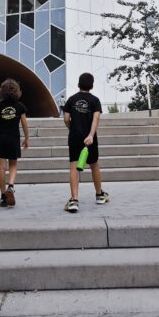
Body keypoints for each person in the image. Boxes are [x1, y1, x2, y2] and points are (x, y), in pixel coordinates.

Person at [63, 73, 109, 213]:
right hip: (90, 139)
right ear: (92, 85)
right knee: (94, 165)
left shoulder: (71, 100)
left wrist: (72, 129)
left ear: (78, 84)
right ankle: (99, 195)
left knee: (74, 167)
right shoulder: (95, 100)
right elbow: (96, 120)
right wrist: (90, 135)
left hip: (75, 137)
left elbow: (66, 118)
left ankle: (74, 200)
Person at [0, 79, 29, 207]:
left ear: (2, 91)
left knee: (1, 167)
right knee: (13, 164)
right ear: (17, 91)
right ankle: (11, 186)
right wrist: (27, 138)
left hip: (0, 138)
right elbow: (25, 124)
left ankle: (3, 196)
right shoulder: (20, 106)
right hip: (14, 138)